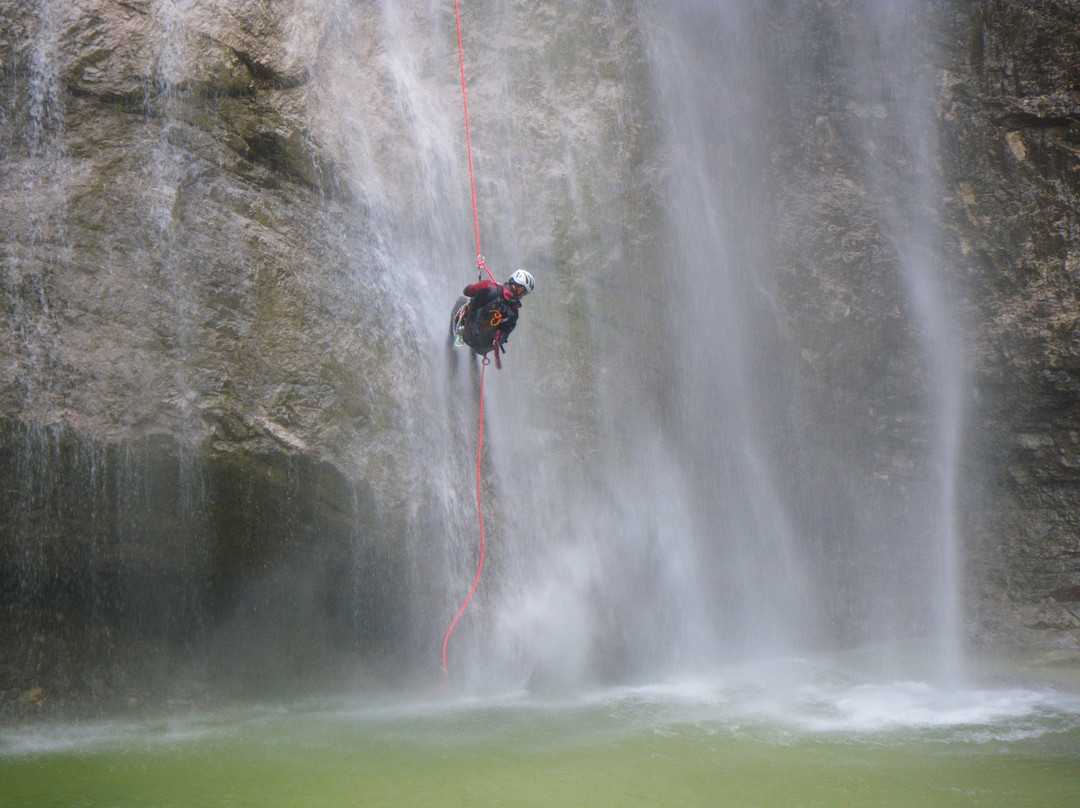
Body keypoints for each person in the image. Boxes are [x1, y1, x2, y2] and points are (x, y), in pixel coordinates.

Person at [451, 269, 534, 366]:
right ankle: (473, 360)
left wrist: (479, 289)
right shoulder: (514, 314)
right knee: (481, 334)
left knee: (461, 301)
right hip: (481, 348)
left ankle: (450, 342)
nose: (523, 296)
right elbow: (501, 338)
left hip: (466, 332)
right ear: (519, 288)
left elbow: (466, 291)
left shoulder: (488, 286)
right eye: (525, 293)